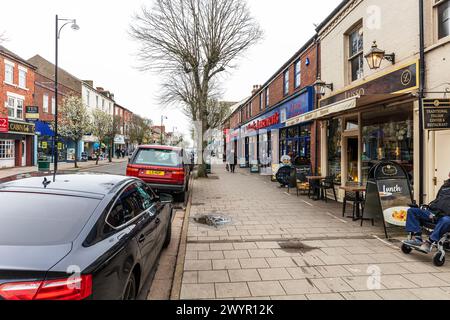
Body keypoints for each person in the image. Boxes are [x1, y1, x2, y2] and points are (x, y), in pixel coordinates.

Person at [405, 172, 450, 253]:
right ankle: (417, 238)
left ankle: (429, 242)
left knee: (446, 220)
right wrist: (430, 210)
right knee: (412, 211)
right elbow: (438, 200)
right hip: (434, 213)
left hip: (445, 217)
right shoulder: (445, 186)